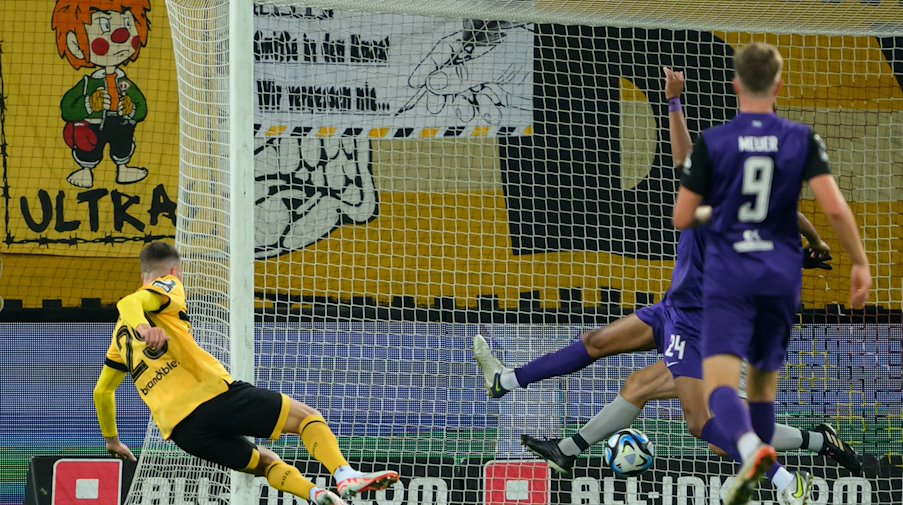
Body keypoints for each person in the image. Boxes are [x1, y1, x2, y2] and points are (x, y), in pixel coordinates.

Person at [474, 66, 857, 505]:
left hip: (704, 329)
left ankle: (789, 480)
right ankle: (515, 393)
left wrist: (673, 101)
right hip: (676, 311)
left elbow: (684, 157)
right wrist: (813, 243)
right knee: (602, 346)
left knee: (705, 427)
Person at [672, 42, 871, 505]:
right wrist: (850, 257)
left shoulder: (716, 144)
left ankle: (769, 471)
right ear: (778, 89)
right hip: (779, 288)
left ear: (737, 87)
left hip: (731, 285)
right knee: (761, 391)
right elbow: (831, 208)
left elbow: (684, 211)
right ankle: (766, 476)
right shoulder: (800, 140)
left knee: (719, 396)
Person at [93, 242, 399, 505]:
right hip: (212, 397)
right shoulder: (168, 286)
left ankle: (318, 495)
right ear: (174, 272)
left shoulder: (119, 337)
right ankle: (345, 477)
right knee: (306, 418)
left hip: (184, 433)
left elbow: (102, 391)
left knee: (265, 463)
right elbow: (130, 300)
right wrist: (146, 328)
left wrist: (112, 440)